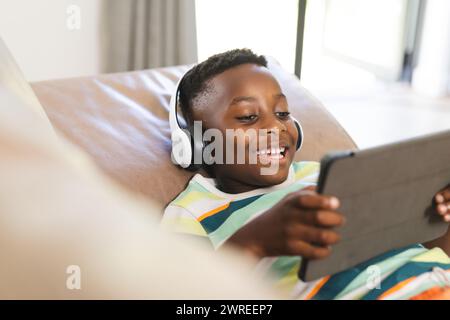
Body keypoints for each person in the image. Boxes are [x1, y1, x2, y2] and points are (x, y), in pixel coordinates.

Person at [162, 49, 450, 300]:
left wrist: (440, 221)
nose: (277, 128)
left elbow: (414, 248)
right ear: (197, 142)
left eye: (283, 113)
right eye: (248, 117)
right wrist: (254, 241)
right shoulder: (191, 212)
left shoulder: (323, 175)